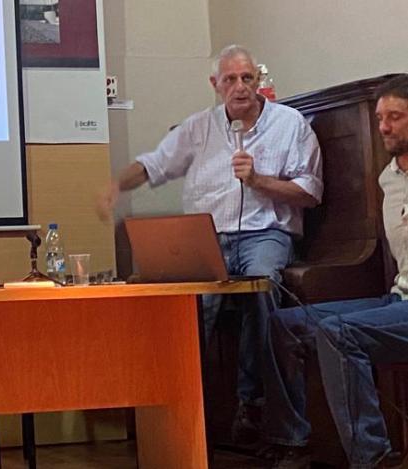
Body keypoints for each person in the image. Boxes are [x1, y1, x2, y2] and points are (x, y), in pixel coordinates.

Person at [97, 44, 323, 443]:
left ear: (258, 81)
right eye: (231, 79)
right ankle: (177, 416)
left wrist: (259, 181)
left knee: (261, 288)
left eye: (247, 78)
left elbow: (310, 192)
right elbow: (154, 164)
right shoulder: (198, 127)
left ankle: (252, 404)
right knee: (186, 306)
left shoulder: (291, 125)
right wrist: (116, 185)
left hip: (265, 232)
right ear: (215, 85)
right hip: (207, 237)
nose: (240, 87)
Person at [262, 75, 408, 469]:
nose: (383, 127)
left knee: (339, 333)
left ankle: (373, 458)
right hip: (398, 298)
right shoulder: (388, 178)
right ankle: (294, 442)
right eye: (380, 118)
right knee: (285, 323)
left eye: (395, 117)